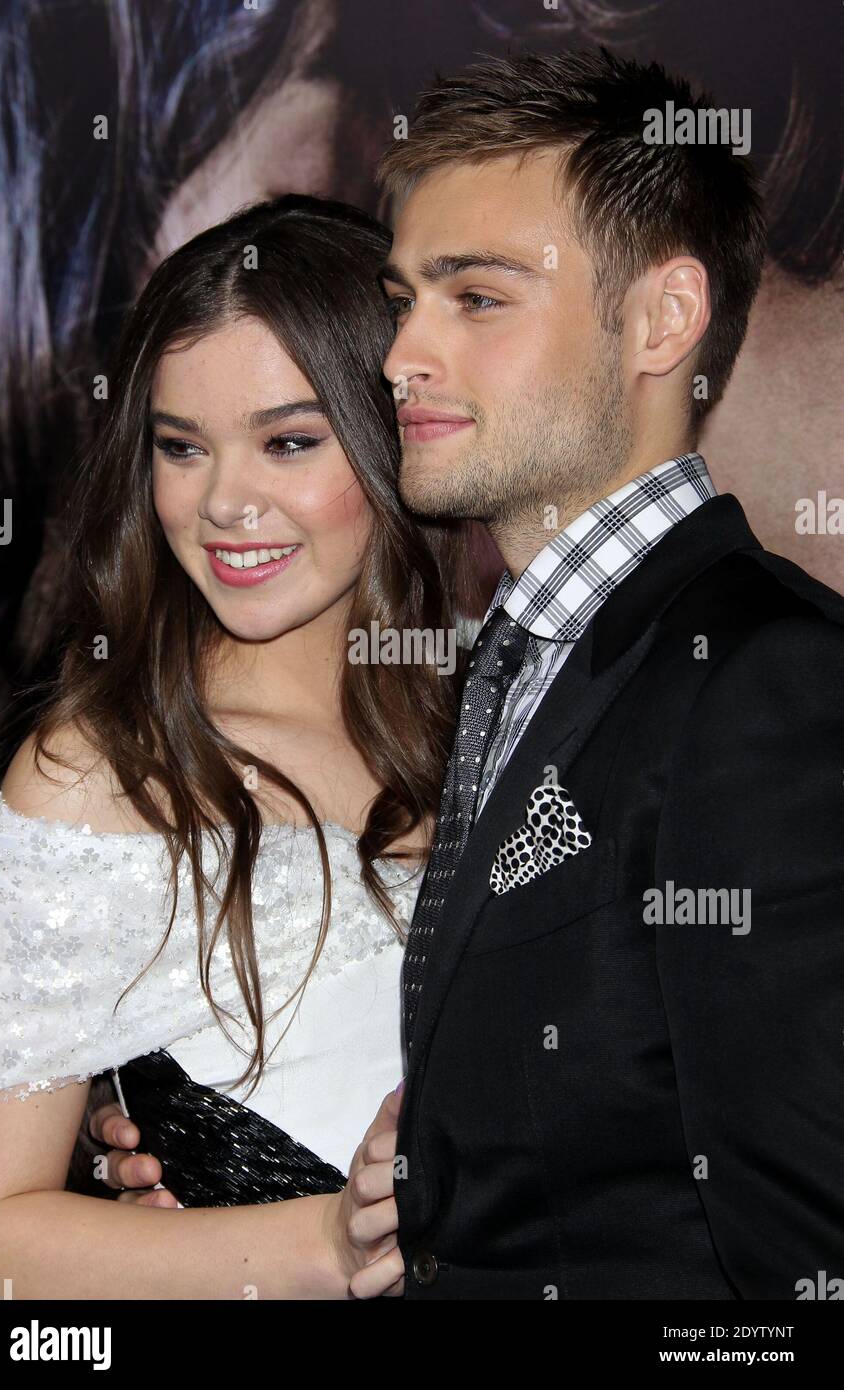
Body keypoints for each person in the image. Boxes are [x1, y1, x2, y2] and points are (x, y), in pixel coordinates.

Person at [369, 47, 842, 1298]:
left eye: (473, 297)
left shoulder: (768, 683)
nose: (400, 355)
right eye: (402, 298)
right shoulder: (516, 662)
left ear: (659, 320)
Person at [0, 194, 479, 1298]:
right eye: (180, 448)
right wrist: (322, 1243)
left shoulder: (493, 714)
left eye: (288, 441)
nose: (224, 502)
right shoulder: (96, 774)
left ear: (395, 432)